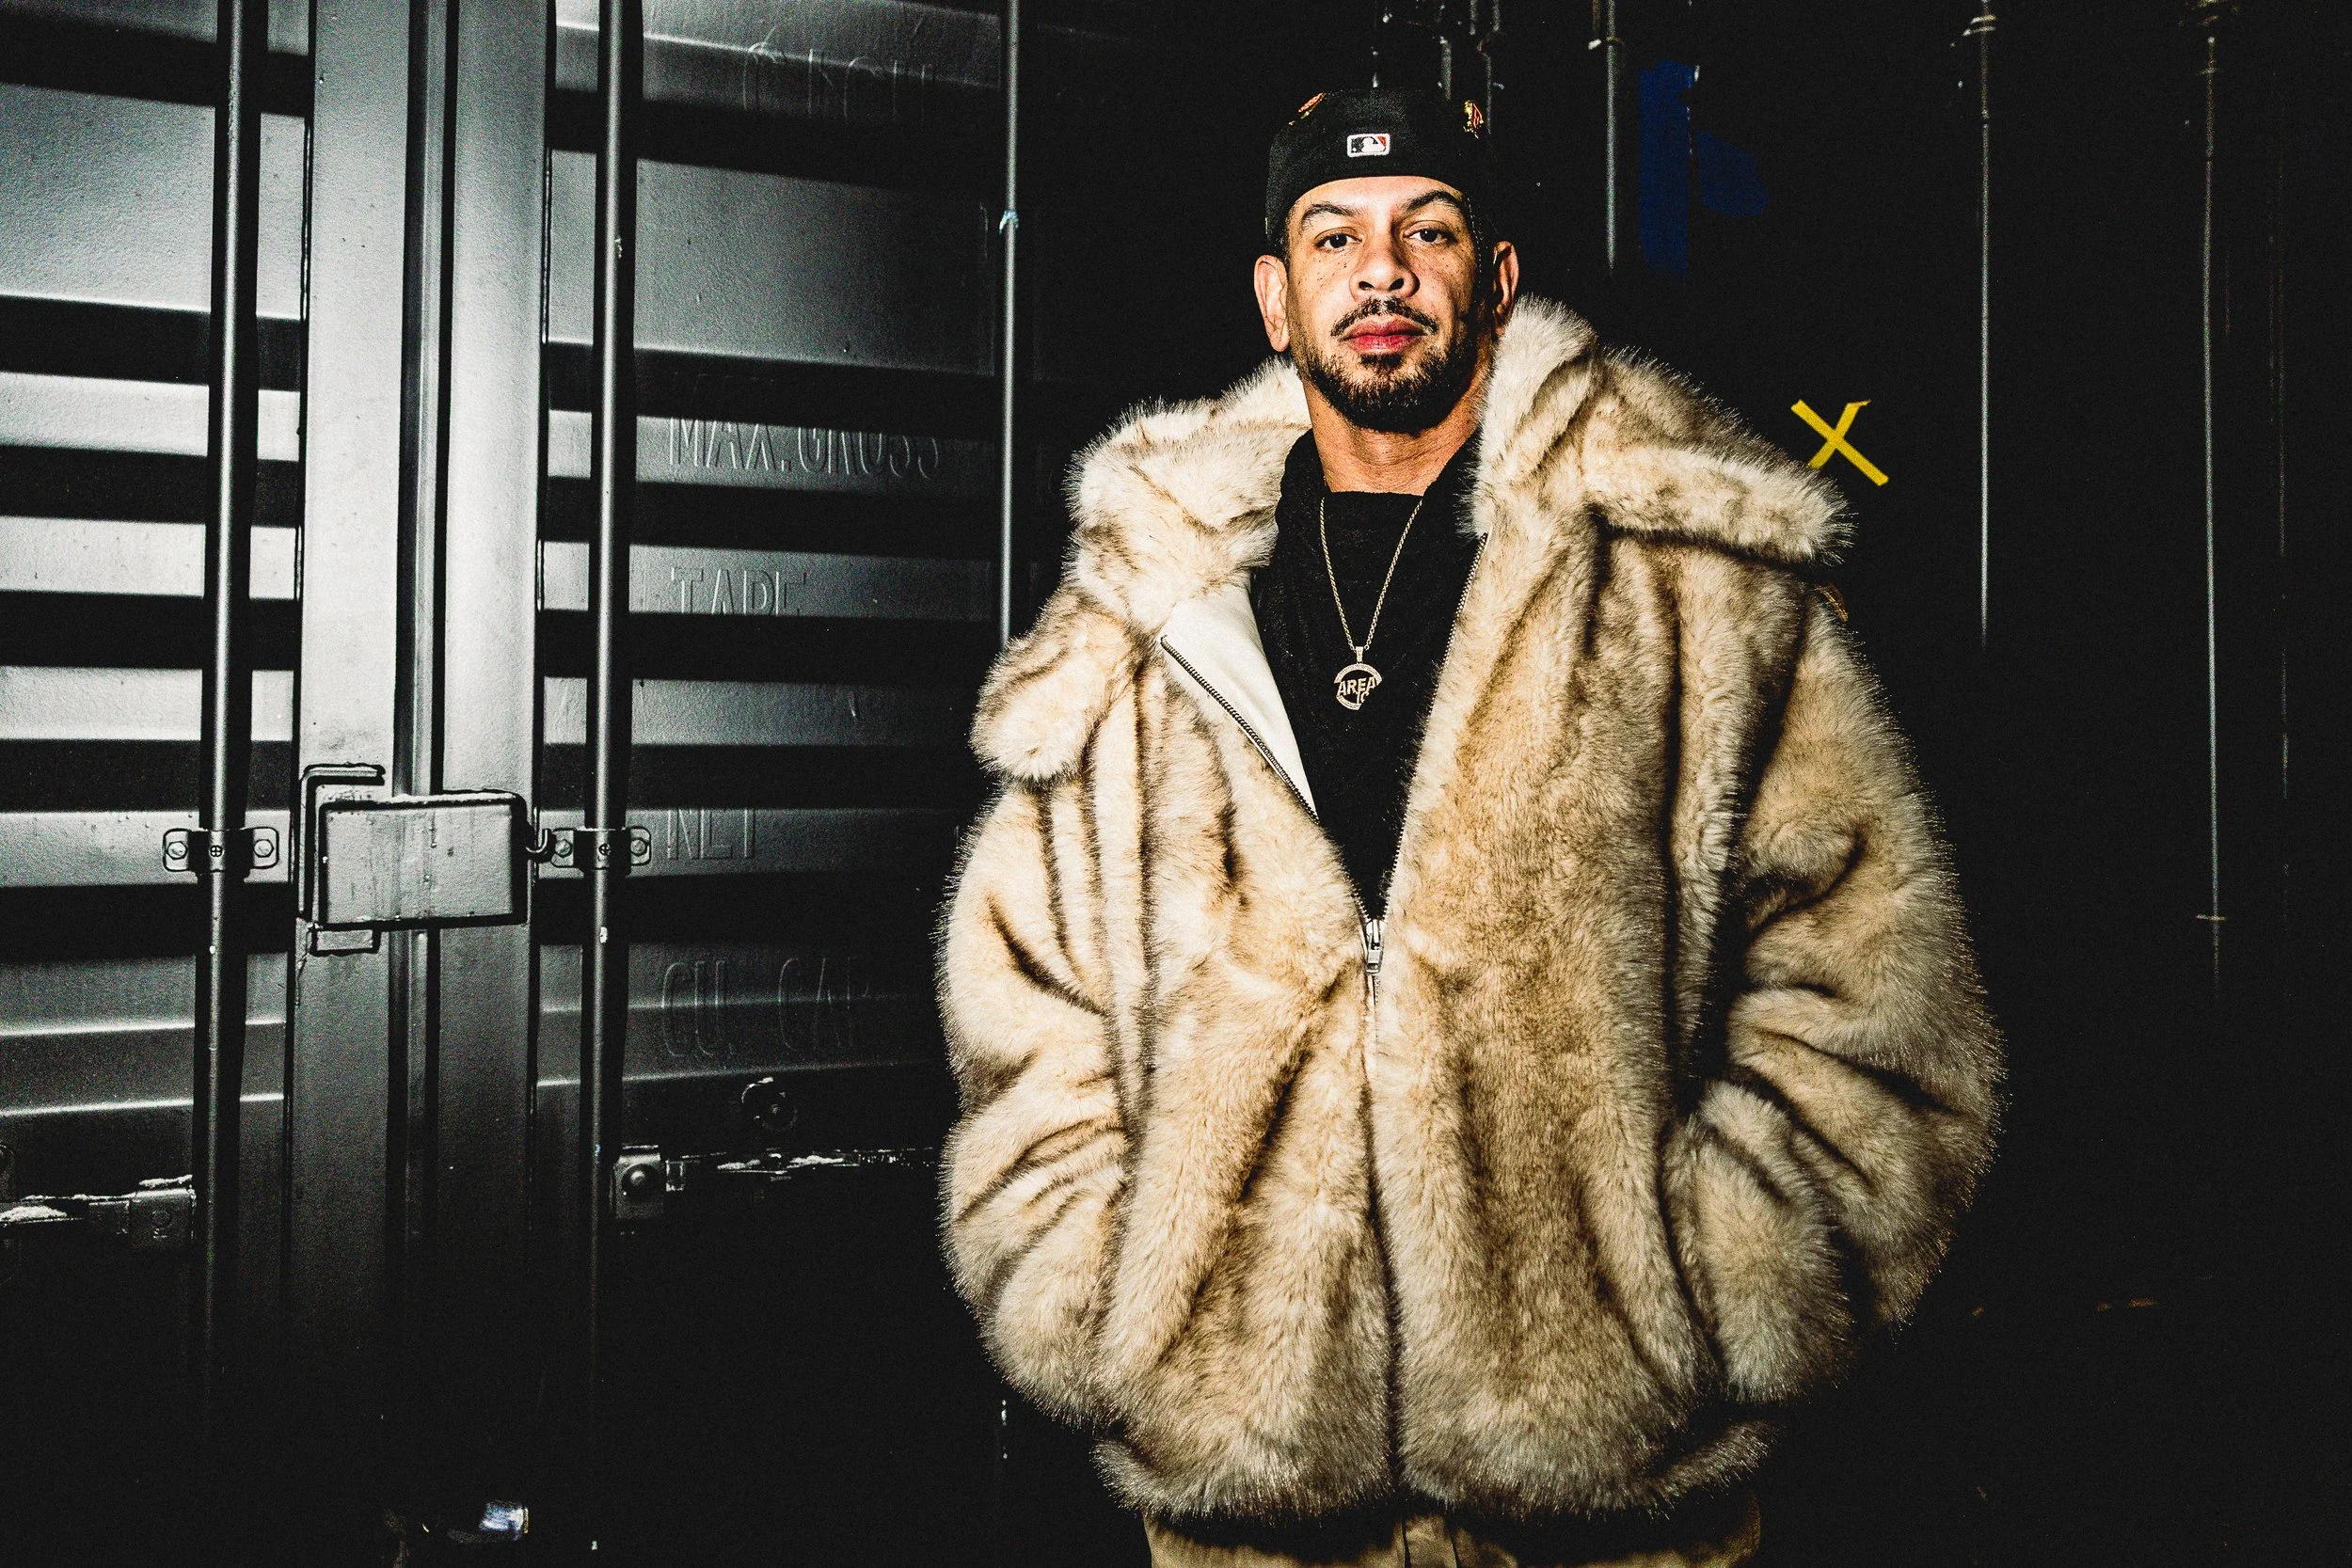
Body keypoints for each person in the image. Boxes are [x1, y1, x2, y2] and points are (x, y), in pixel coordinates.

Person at [936, 88, 2002, 1568]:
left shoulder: (1693, 578)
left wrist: (1705, 1298)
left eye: (1427, 230)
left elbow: (1875, 974)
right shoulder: (1147, 611)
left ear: (1496, 278)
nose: (1381, 272)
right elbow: (1023, 998)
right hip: (1245, 1513)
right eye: (1336, 236)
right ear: (1276, 293)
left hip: (1621, 1508)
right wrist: (1110, 1308)